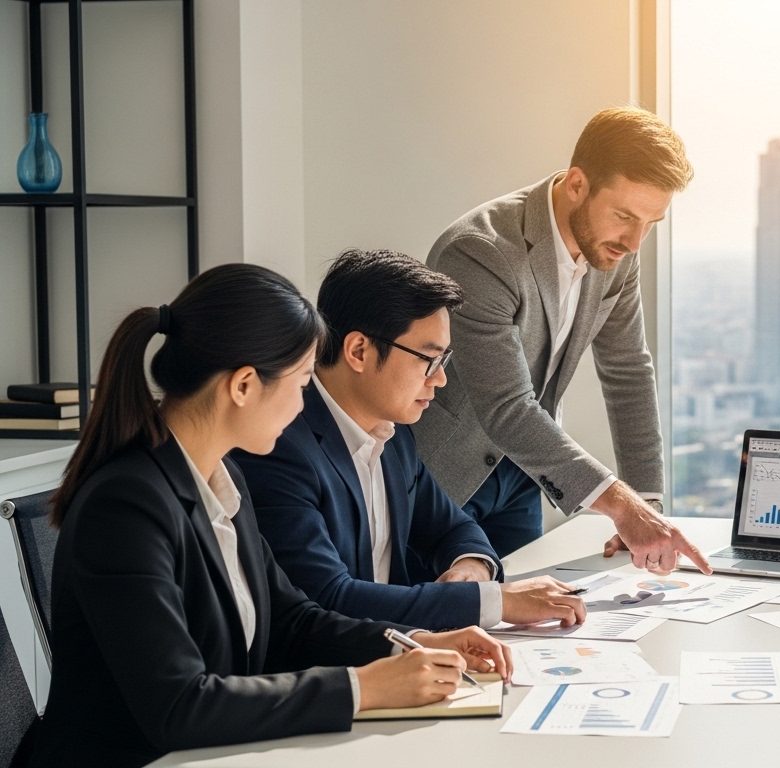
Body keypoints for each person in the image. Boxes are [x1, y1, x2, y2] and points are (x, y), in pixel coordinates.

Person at [31, 265, 513, 768]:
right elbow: (178, 705)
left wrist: (408, 645)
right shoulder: (126, 506)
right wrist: (362, 687)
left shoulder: (222, 478)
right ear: (243, 385)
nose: (305, 402)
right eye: (302, 380)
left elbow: (290, 619)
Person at [413, 106, 710, 573]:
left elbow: (628, 371)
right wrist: (621, 506)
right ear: (576, 184)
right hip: (448, 478)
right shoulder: (481, 251)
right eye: (625, 216)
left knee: (527, 622)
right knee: (452, 625)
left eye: (652, 224)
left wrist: (645, 502)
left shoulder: (616, 251)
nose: (635, 242)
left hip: (525, 471)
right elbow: (505, 406)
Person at [236, 249, 587, 631]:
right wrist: (491, 602)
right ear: (358, 351)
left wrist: (471, 567)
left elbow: (451, 528)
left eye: (444, 361)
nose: (440, 379)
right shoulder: (279, 447)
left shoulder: (393, 434)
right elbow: (327, 598)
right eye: (428, 359)